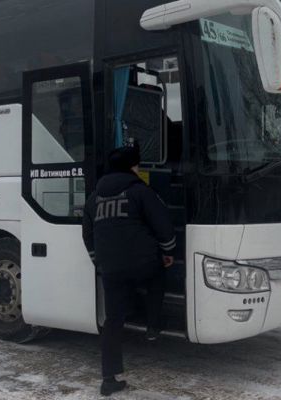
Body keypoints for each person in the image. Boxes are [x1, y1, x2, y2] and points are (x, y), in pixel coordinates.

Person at [82, 144, 176, 396]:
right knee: (157, 276)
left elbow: (88, 234)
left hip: (110, 268)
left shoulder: (94, 197)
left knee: (113, 320)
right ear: (132, 167)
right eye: (137, 165)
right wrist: (168, 251)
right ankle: (153, 326)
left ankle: (109, 379)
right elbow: (162, 224)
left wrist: (98, 261)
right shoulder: (140, 191)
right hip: (143, 262)